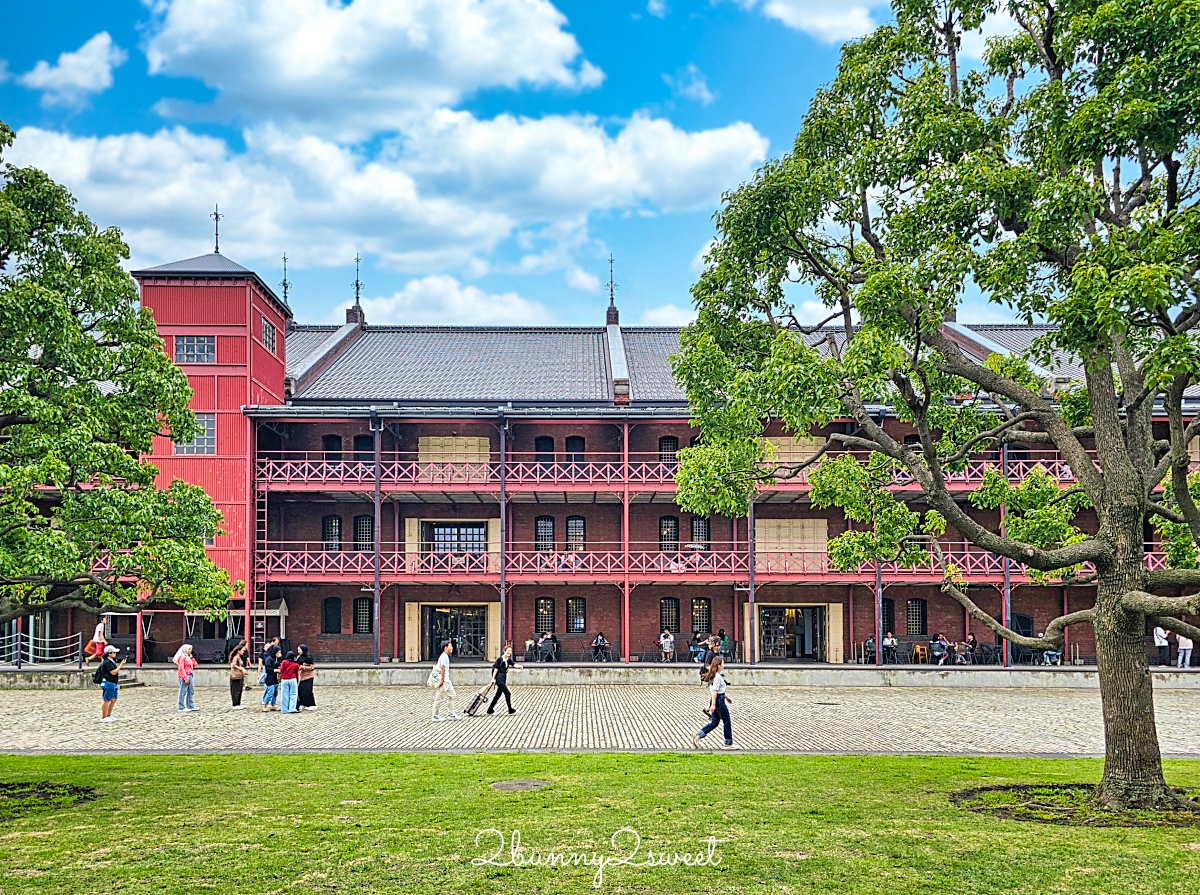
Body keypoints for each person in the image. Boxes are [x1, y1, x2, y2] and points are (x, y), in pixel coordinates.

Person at [693, 655, 737, 749]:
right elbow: (715, 692)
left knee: (715, 722)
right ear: (718, 665)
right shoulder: (717, 677)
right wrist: (712, 705)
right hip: (719, 702)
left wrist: (726, 697)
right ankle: (728, 743)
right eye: (723, 663)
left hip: (719, 699)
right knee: (727, 721)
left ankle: (698, 735)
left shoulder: (713, 676)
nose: (724, 665)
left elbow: (718, 691)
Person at [487, 643, 522, 714]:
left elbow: (514, 664)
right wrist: (493, 679)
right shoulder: (499, 659)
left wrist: (520, 666)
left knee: (497, 695)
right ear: (504, 651)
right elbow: (496, 669)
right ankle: (510, 710)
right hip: (499, 678)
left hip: (503, 678)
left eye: (510, 651)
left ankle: (490, 710)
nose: (509, 652)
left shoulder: (508, 660)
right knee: (507, 693)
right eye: (508, 650)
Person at [431, 640, 459, 721]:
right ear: (446, 648)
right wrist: (442, 680)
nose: (452, 648)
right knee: (439, 698)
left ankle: (451, 714)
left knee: (452, 695)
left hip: (447, 680)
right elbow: (442, 668)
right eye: (450, 646)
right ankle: (435, 716)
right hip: (444, 681)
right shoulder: (444, 656)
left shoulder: (446, 656)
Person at [97, 645, 125, 722]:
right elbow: (113, 672)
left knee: (113, 699)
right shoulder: (107, 662)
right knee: (107, 699)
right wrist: (121, 665)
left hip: (113, 682)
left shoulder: (111, 661)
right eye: (114, 652)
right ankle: (104, 716)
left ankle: (108, 715)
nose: (115, 654)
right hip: (108, 682)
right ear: (109, 653)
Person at [173, 644, 198, 712]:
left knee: (191, 691)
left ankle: (190, 705)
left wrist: (192, 658)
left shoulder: (188, 657)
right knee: (183, 691)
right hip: (184, 675)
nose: (190, 651)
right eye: (189, 649)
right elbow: (181, 668)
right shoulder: (182, 657)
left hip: (190, 674)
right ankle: (181, 706)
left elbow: (195, 665)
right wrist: (185, 678)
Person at [296, 644, 317, 710]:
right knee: (300, 691)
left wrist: (304, 667)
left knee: (307, 691)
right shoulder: (299, 657)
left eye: (299, 649)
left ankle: (311, 704)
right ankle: (302, 703)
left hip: (308, 676)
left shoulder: (308, 657)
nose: (298, 651)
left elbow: (312, 667)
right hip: (301, 676)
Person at [228, 642, 248, 708]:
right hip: (235, 676)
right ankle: (235, 704)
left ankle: (238, 703)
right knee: (235, 690)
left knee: (239, 690)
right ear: (238, 651)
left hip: (239, 676)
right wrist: (242, 669)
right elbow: (233, 665)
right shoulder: (235, 657)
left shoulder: (239, 657)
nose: (243, 652)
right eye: (242, 650)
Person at [261, 644, 280, 712]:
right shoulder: (269, 659)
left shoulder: (276, 659)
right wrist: (276, 670)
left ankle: (273, 705)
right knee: (270, 692)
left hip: (275, 678)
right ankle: (264, 705)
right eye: (278, 652)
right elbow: (268, 669)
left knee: (275, 692)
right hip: (269, 678)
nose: (279, 654)